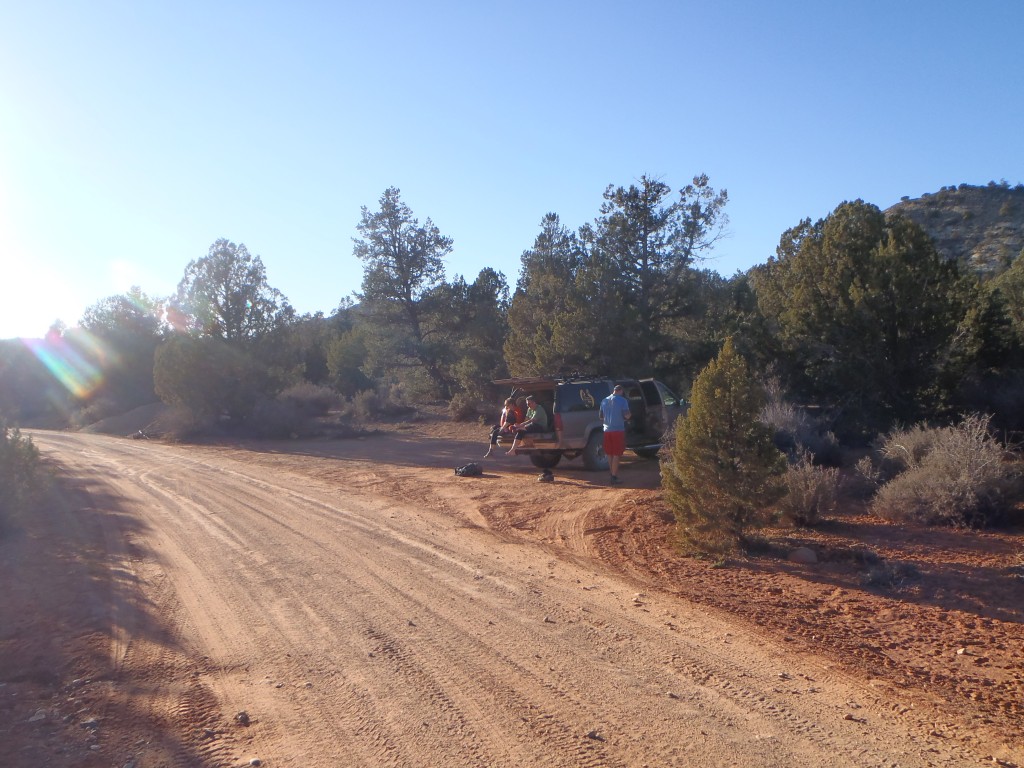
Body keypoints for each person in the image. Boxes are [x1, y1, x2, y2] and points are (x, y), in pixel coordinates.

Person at [599, 383, 631, 485]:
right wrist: (630, 415)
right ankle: (614, 476)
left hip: (607, 430)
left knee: (609, 453)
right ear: (620, 391)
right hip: (618, 430)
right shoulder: (623, 401)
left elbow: (601, 417)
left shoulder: (604, 400)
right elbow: (626, 415)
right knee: (617, 454)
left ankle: (611, 473)